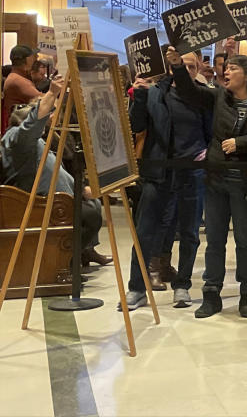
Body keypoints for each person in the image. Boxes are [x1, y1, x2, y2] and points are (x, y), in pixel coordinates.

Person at [166, 46, 247, 319]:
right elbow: (190, 93)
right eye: (225, 67)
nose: (226, 71)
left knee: (245, 241)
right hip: (217, 180)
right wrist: (177, 67)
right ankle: (212, 293)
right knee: (215, 240)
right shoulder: (220, 97)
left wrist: (241, 144)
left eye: (233, 68)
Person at [122, 51, 211, 310]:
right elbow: (137, 125)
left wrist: (207, 151)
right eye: (182, 64)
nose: (186, 69)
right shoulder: (153, 93)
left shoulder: (203, 97)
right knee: (145, 231)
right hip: (157, 171)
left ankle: (182, 285)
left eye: (192, 66)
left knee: (190, 232)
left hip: (191, 170)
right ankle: (137, 287)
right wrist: (138, 95)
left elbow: (213, 130)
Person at [1, 76, 107, 262]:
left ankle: (81, 253)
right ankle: (63, 260)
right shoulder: (18, 139)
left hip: (56, 197)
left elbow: (63, 167)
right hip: (35, 203)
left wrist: (81, 190)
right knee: (89, 215)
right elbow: (31, 126)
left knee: (93, 206)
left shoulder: (40, 139)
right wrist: (52, 92)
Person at [2, 45, 41, 134]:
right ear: (27, 60)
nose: (34, 60)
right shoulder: (17, 80)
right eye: (32, 57)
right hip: (21, 130)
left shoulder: (16, 78)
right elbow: (42, 101)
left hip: (21, 128)